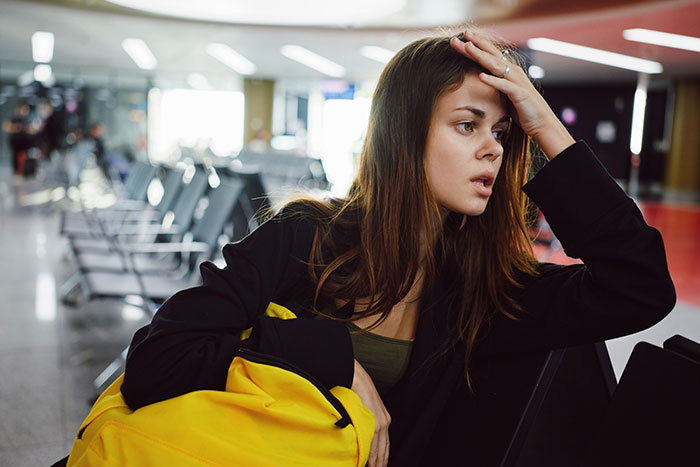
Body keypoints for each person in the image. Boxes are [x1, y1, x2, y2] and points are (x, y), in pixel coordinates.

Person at [120, 29, 675, 466]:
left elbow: (639, 288)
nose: (493, 150)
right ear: (405, 135)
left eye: (503, 133)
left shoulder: (483, 290)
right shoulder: (303, 236)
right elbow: (155, 360)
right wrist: (331, 357)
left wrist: (547, 126)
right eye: (467, 125)